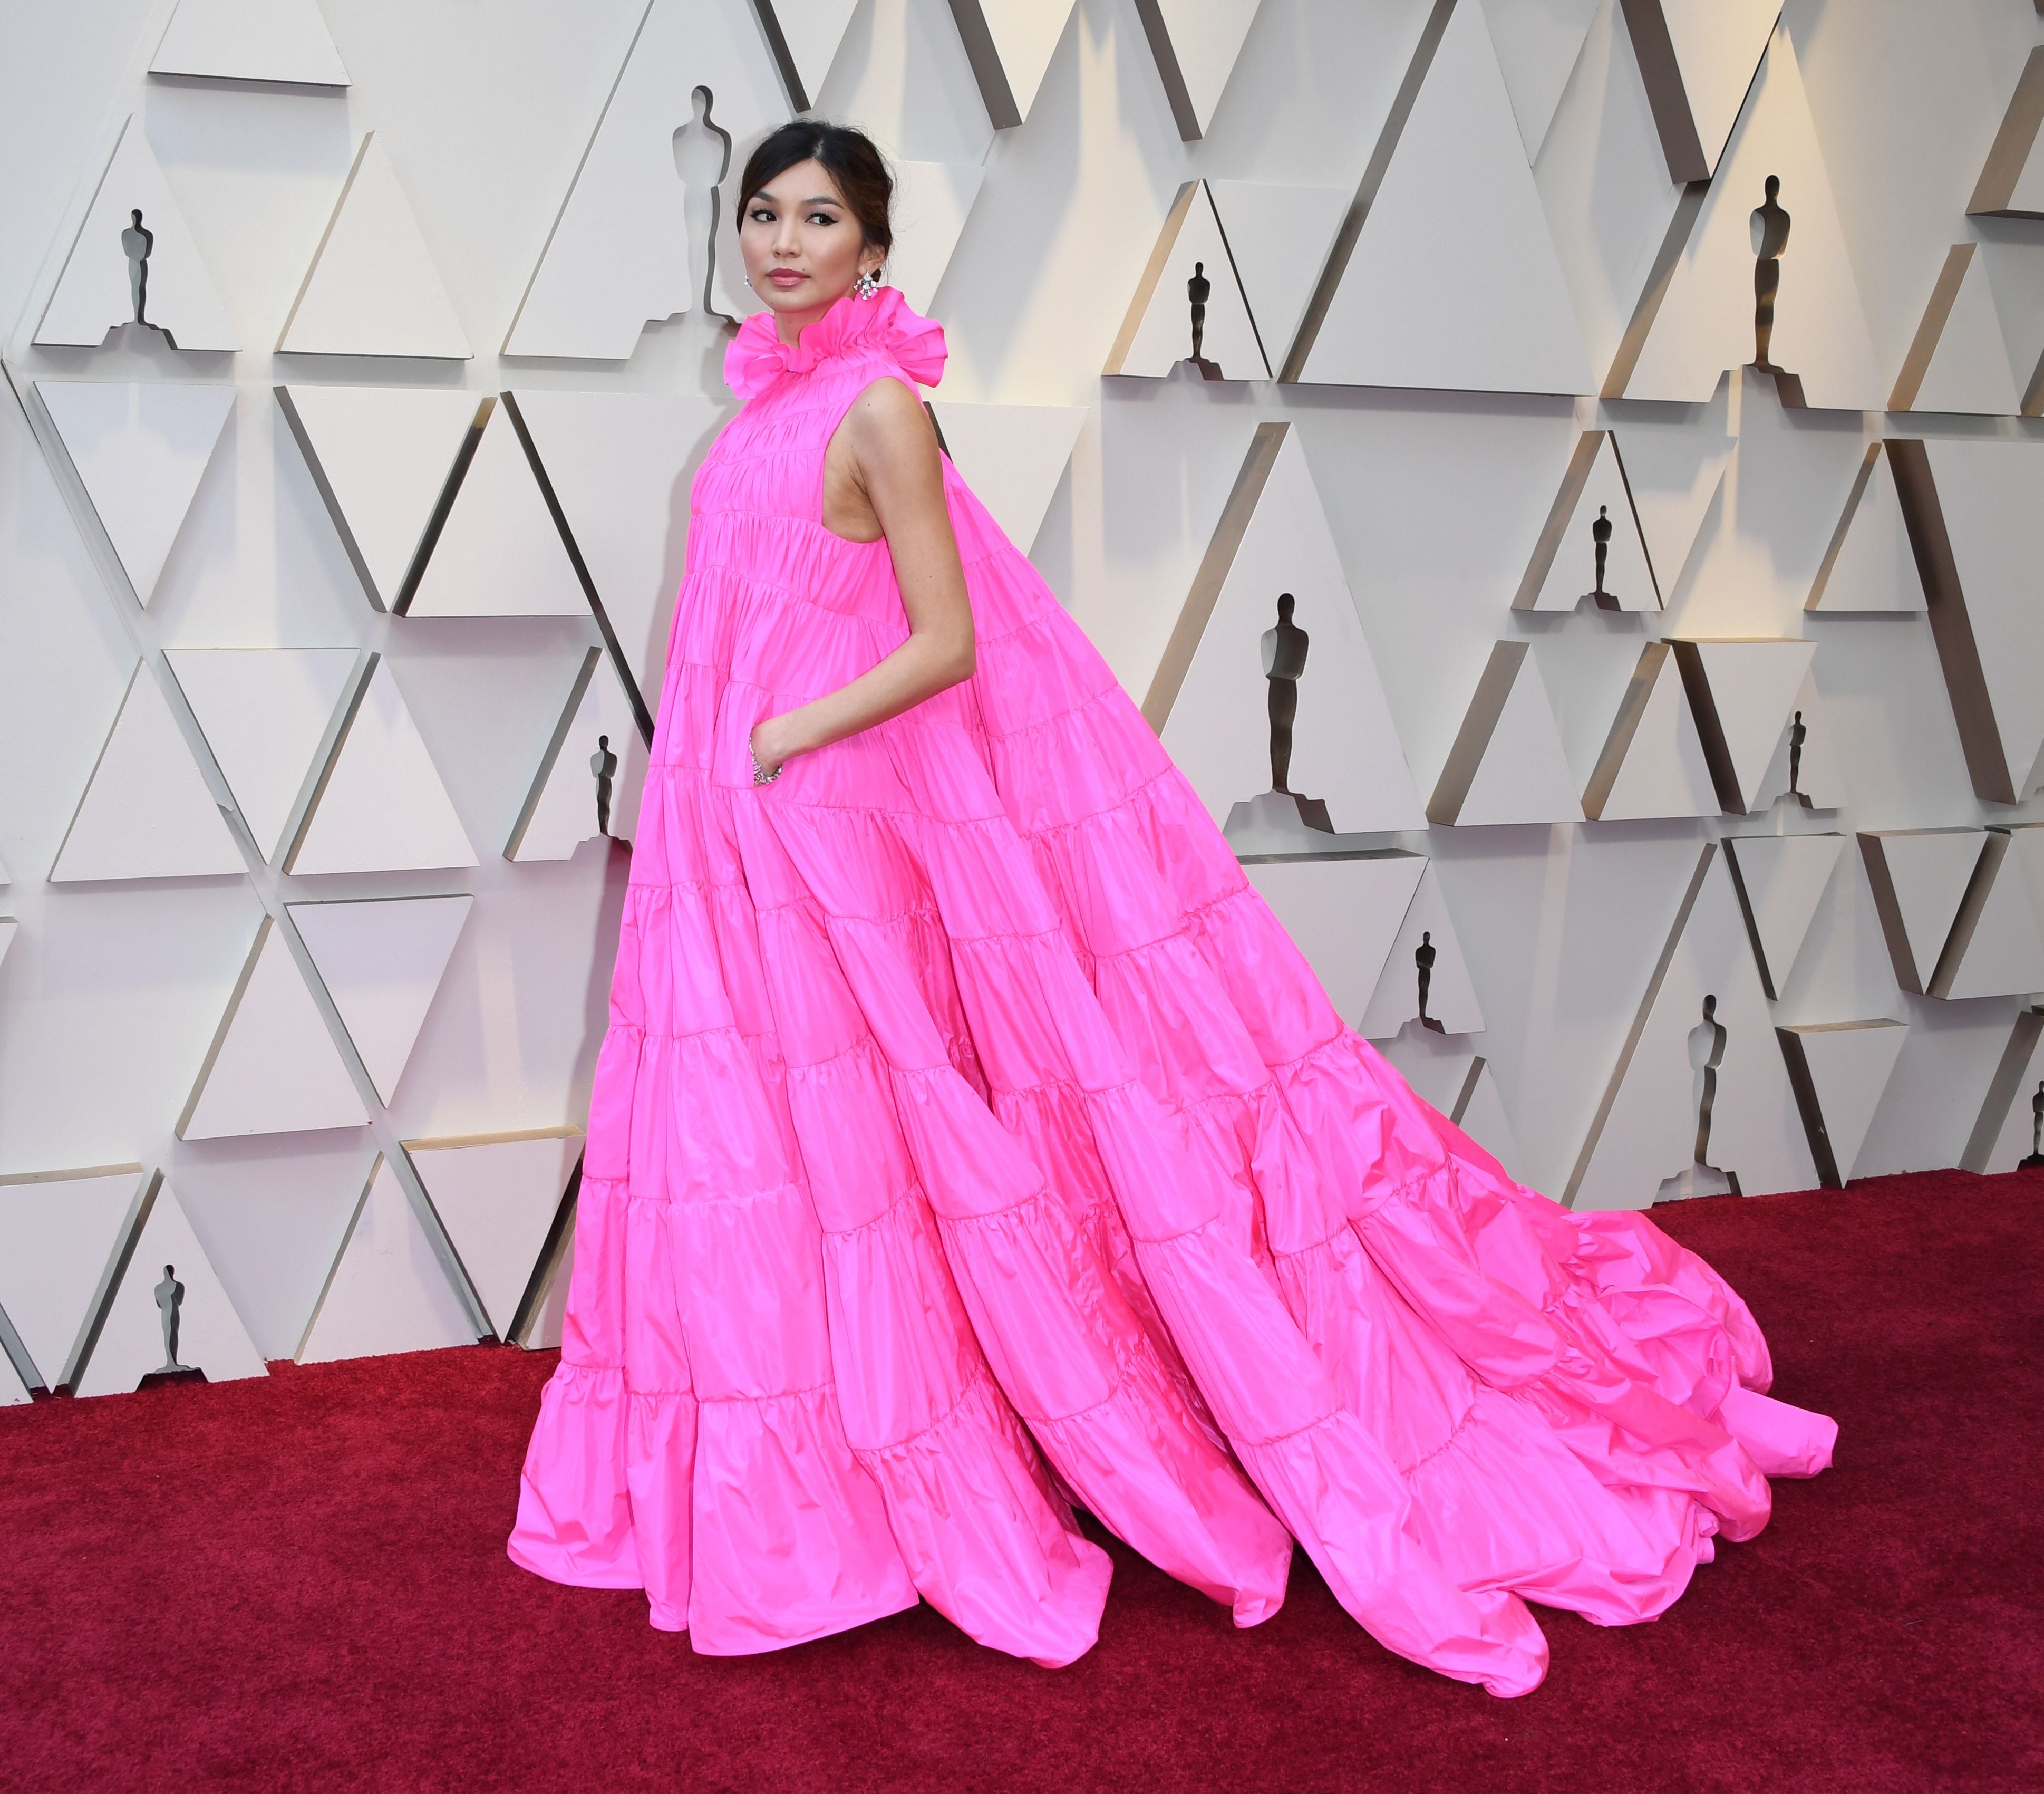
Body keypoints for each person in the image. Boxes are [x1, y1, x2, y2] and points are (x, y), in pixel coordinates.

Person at [506, 119, 1835, 1698]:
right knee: (774, 1152)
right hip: (748, 838)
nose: (782, 243)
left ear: (872, 248)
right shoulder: (756, 420)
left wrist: (786, 733)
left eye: (818, 218)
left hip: (831, 820)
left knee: (877, 1136)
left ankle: (910, 1472)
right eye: (762, 214)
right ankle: (799, 1500)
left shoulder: (878, 412)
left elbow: (947, 640)